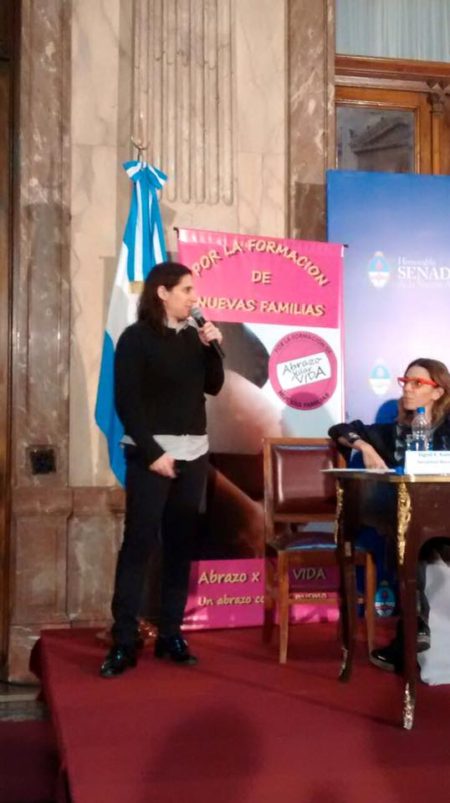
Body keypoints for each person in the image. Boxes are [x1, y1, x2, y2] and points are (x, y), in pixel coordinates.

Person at [100, 262, 224, 678]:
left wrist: (212, 347)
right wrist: (153, 453)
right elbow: (127, 401)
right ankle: (124, 639)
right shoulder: (135, 339)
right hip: (151, 456)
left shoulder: (194, 337)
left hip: (194, 454)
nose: (194, 298)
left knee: (180, 545)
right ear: (162, 292)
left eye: (193, 290)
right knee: (139, 544)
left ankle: (171, 633)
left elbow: (213, 386)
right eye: (186, 290)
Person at [328, 357, 450, 672]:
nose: (407, 389)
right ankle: (415, 627)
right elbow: (340, 429)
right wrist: (365, 448)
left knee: (410, 537)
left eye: (417, 383)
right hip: (412, 521)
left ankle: (408, 639)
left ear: (438, 392)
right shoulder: (391, 432)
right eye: (405, 382)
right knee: (406, 536)